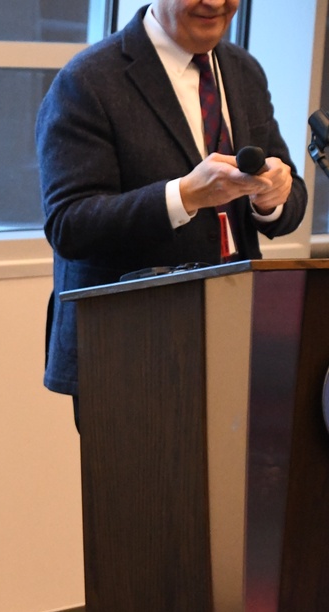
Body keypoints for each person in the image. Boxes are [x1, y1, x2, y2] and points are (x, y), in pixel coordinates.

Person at [37, 0, 307, 421]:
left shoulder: (244, 70)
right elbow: (70, 224)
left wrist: (272, 199)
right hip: (129, 352)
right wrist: (184, 196)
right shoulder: (87, 81)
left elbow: (290, 195)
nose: (216, 3)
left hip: (239, 338)